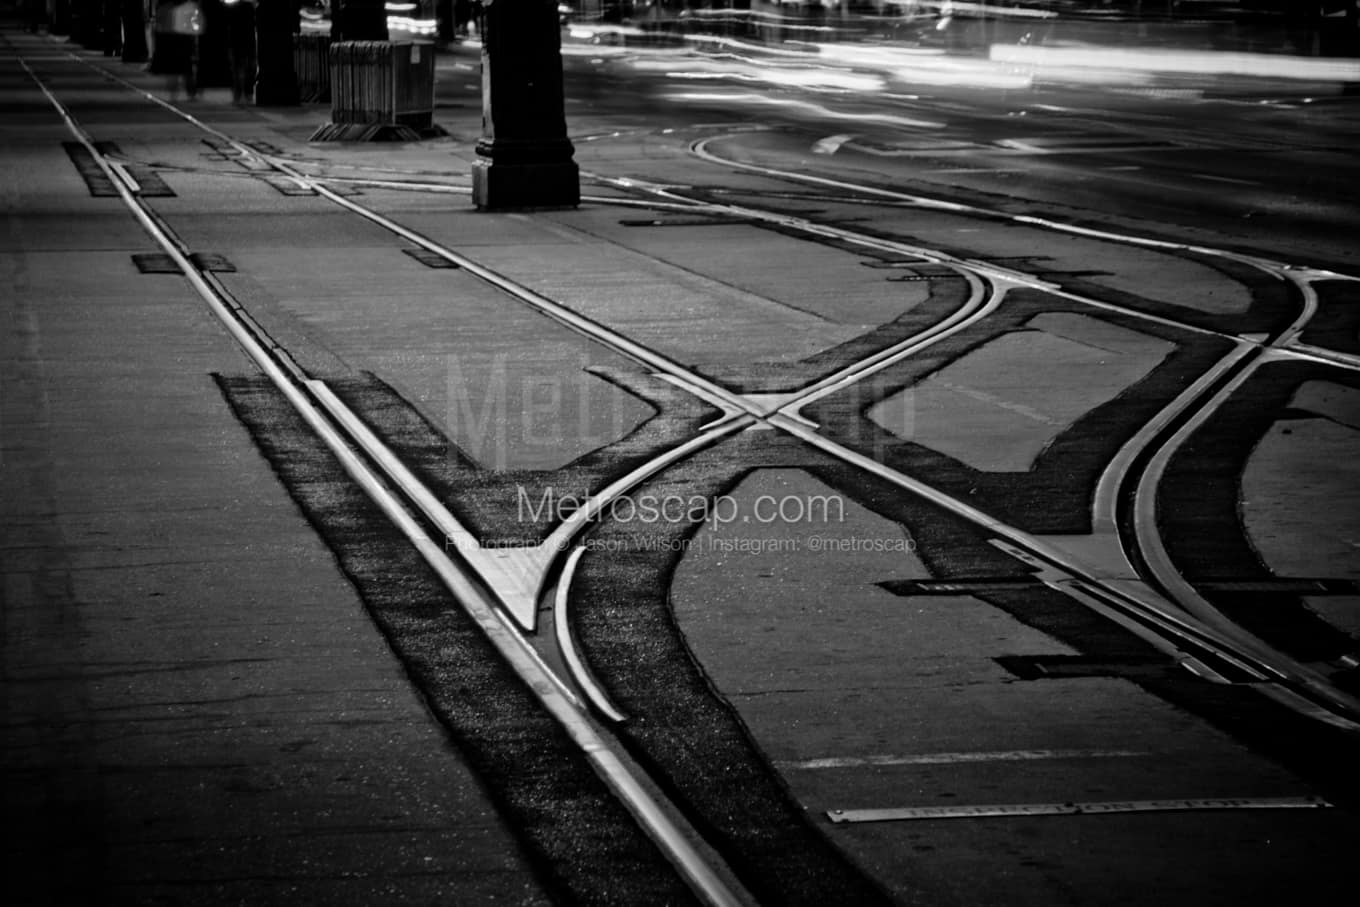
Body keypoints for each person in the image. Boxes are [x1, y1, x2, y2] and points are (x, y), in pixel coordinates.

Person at [150, 0, 203, 100]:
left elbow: (159, 26)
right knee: (185, 66)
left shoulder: (164, 8)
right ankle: (189, 91)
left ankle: (176, 91)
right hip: (180, 38)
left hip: (174, 39)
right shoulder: (186, 6)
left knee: (177, 67)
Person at [224, 0, 258, 104]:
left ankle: (237, 94)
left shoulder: (232, 8)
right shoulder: (251, 7)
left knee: (236, 69)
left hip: (236, 42)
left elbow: (228, 25)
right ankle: (248, 93)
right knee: (249, 68)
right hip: (248, 42)